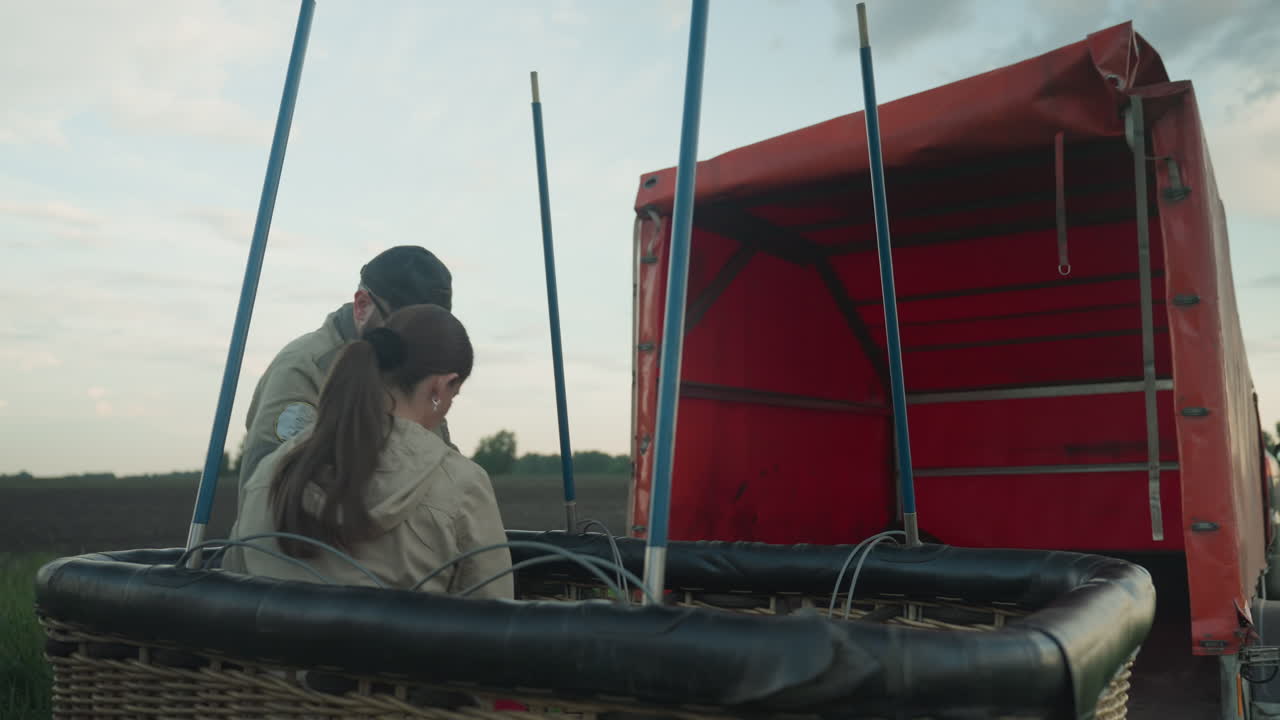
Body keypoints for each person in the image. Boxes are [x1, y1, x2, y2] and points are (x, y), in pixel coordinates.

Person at [222, 304, 513, 599]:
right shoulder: (463, 486)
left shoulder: (271, 473)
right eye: (454, 395)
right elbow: (494, 611)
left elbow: (231, 584)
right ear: (442, 386)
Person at [237, 246, 455, 495]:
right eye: (405, 330)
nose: (417, 348)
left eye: (430, 336)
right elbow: (272, 488)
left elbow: (441, 467)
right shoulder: (304, 370)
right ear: (362, 306)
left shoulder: (409, 368)